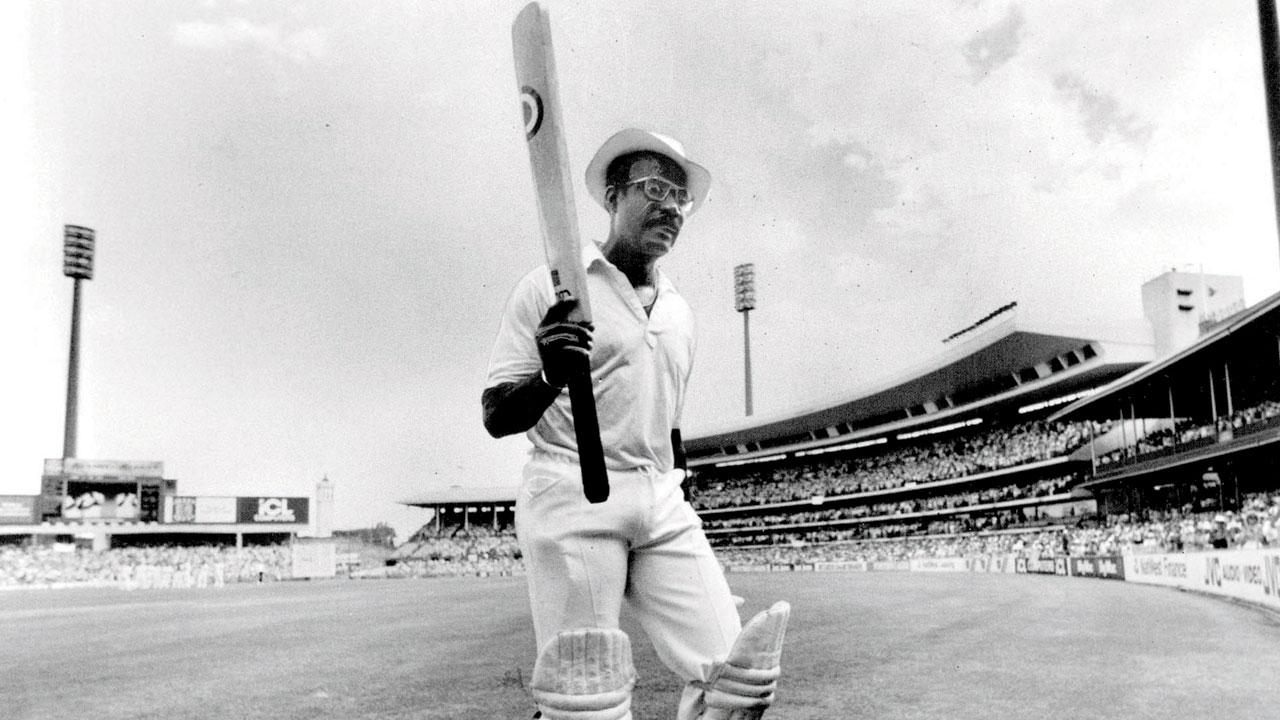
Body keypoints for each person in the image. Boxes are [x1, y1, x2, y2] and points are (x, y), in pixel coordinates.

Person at [483, 128, 789, 720]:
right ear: (613, 196)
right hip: (574, 491)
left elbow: (667, 425)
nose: (671, 207)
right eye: (655, 188)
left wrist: (674, 489)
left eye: (682, 198)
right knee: (585, 697)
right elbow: (497, 414)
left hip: (660, 497)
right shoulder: (549, 286)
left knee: (739, 677)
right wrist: (548, 376)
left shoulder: (679, 312)